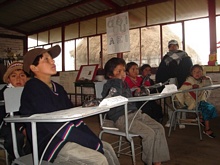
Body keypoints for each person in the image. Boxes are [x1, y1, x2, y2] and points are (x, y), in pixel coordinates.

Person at [19, 45, 119, 165]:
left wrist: (91, 139)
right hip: (51, 143)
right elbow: (52, 123)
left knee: (107, 148)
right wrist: (89, 142)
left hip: (64, 135)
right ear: (33, 67)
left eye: (51, 58)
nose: (52, 61)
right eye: (46, 59)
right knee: (99, 158)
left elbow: (72, 116)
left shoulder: (58, 88)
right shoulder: (33, 88)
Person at [102, 57, 170, 165]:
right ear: (110, 75)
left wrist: (136, 92)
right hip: (122, 118)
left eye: (123, 70)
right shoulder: (111, 84)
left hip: (135, 113)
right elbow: (115, 96)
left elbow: (128, 98)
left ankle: (157, 162)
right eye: (118, 71)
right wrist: (118, 81)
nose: (122, 73)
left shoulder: (124, 84)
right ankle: (148, 162)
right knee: (149, 134)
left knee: (159, 128)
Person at [156, 39, 193, 128]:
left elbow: (190, 69)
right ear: (169, 48)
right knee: (170, 100)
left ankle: (181, 120)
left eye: (174, 45)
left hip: (183, 81)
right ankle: (171, 119)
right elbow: (161, 71)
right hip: (170, 82)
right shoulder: (166, 58)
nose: (173, 47)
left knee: (181, 100)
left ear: (178, 46)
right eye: (171, 46)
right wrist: (161, 81)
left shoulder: (185, 57)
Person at [175, 64, 217, 138]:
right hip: (191, 102)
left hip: (200, 101)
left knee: (209, 108)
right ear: (191, 73)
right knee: (208, 108)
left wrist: (207, 79)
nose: (197, 73)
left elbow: (209, 86)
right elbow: (181, 90)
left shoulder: (202, 80)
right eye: (194, 72)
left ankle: (201, 119)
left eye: (199, 71)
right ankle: (207, 128)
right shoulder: (189, 80)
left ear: (202, 72)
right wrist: (191, 87)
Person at [0, 61, 31, 161]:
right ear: (8, 80)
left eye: (22, 75)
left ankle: (28, 158)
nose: (18, 79)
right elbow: (4, 116)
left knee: (37, 134)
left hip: (26, 122)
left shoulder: (30, 91)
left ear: (27, 78)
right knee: (15, 138)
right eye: (14, 76)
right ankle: (18, 159)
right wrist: (22, 128)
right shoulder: (4, 93)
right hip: (6, 124)